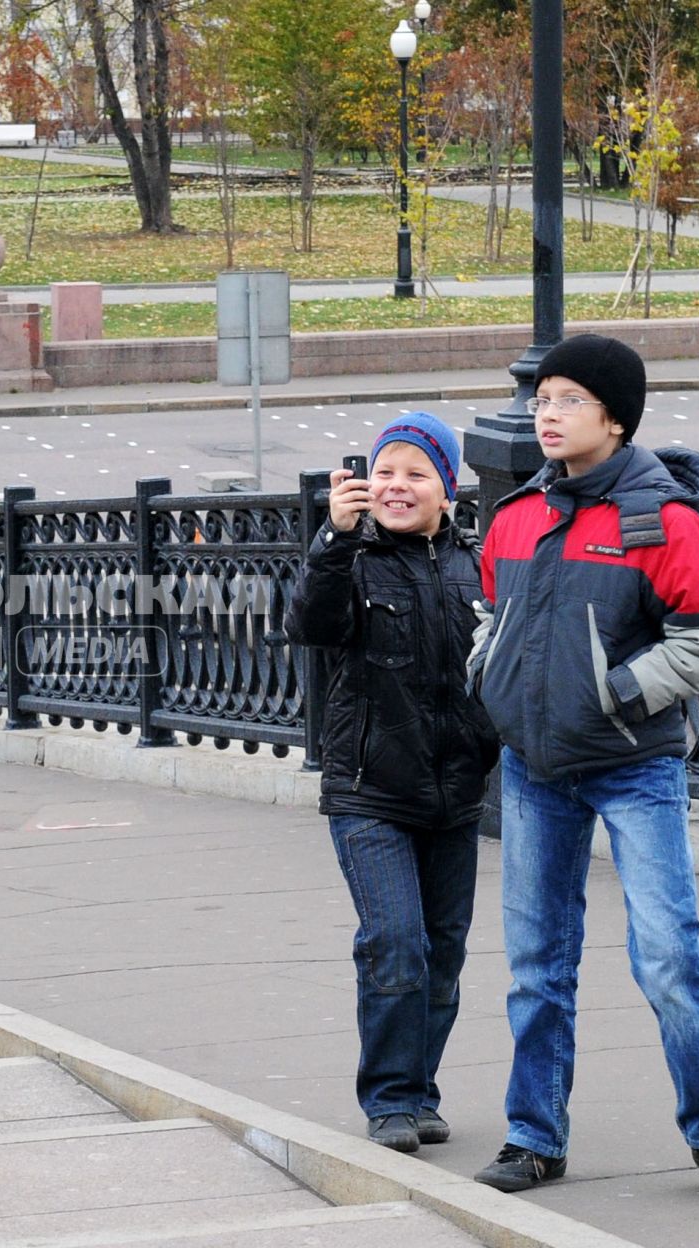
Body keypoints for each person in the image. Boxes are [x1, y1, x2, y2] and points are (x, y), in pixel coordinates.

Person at [467, 334, 699, 1194]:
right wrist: (487, 672)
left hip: (633, 767)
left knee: (668, 956)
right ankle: (534, 1138)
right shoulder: (516, 516)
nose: (546, 414)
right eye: (541, 400)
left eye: (567, 399)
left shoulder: (662, 520)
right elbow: (492, 617)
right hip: (534, 769)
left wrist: (611, 696)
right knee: (536, 965)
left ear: (614, 416)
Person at [285, 412, 498, 1154]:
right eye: (385, 472)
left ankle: (421, 1089)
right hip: (369, 791)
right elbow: (310, 626)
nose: (396, 487)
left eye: (415, 474)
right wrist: (333, 541)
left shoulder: (474, 564)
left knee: (443, 951)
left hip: (456, 791)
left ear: (447, 488)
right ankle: (390, 1099)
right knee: (395, 943)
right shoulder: (352, 557)